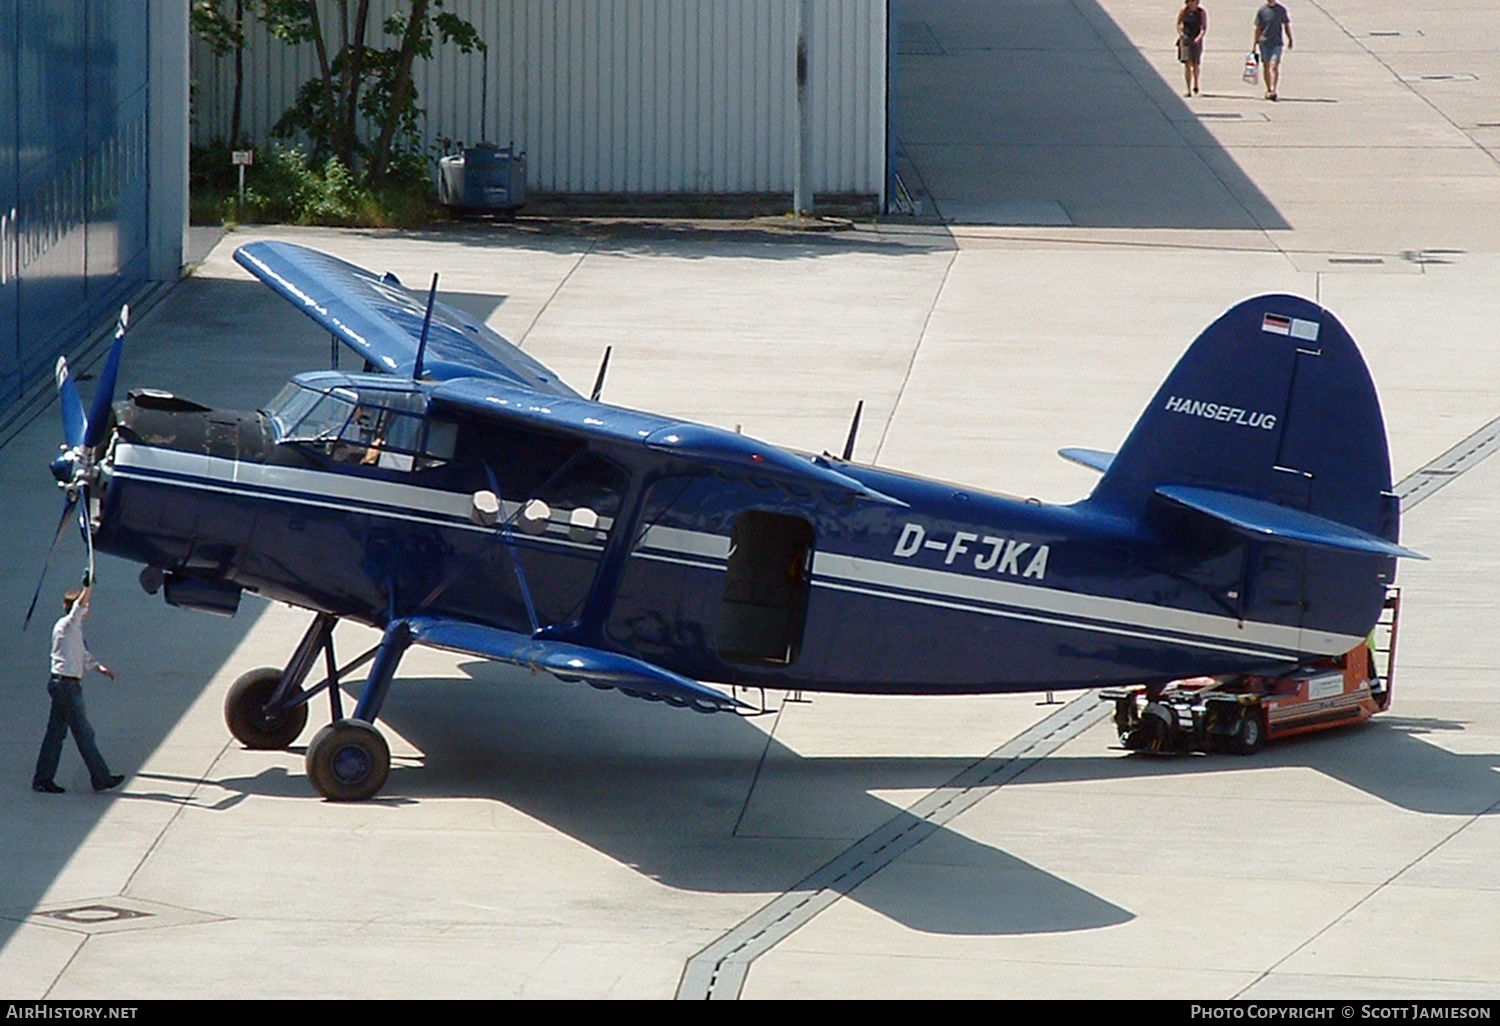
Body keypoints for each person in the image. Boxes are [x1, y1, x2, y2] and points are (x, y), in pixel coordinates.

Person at [32, 587, 124, 794]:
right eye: (85, 607)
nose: (88, 610)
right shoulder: (68, 624)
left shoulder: (73, 630)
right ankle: (101, 778)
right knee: (83, 733)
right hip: (66, 686)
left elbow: (83, 656)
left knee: (55, 734)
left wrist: (100, 668)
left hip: (62, 684)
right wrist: (88, 585)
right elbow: (79, 607)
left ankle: (42, 778)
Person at [1252, 0, 1293, 100]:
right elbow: (1258, 28)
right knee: (1266, 66)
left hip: (1277, 43)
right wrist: (1254, 44)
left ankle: (1273, 89)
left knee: (1274, 65)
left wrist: (1290, 39)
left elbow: (1286, 25)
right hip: (1264, 42)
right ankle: (1268, 89)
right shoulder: (1262, 11)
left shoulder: (1281, 10)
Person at [1177, 0, 1208, 96]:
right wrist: (1181, 34)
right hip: (1186, 39)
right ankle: (1188, 89)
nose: (1191, 4)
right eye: (1189, 2)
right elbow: (1178, 24)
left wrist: (1199, 37)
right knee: (1187, 64)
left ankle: (1196, 84)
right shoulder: (1184, 11)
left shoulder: (1201, 12)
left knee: (1195, 64)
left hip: (1196, 40)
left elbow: (1203, 27)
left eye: (1193, 1)